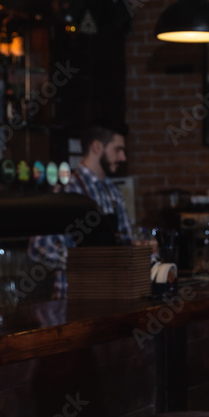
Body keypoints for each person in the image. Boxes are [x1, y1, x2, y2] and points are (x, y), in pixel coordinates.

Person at [28, 122, 134, 299]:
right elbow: (37, 247)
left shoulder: (114, 193)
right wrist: (83, 262)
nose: (123, 157)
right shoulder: (66, 192)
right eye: (118, 150)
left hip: (111, 296)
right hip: (72, 301)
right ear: (97, 147)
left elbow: (126, 242)